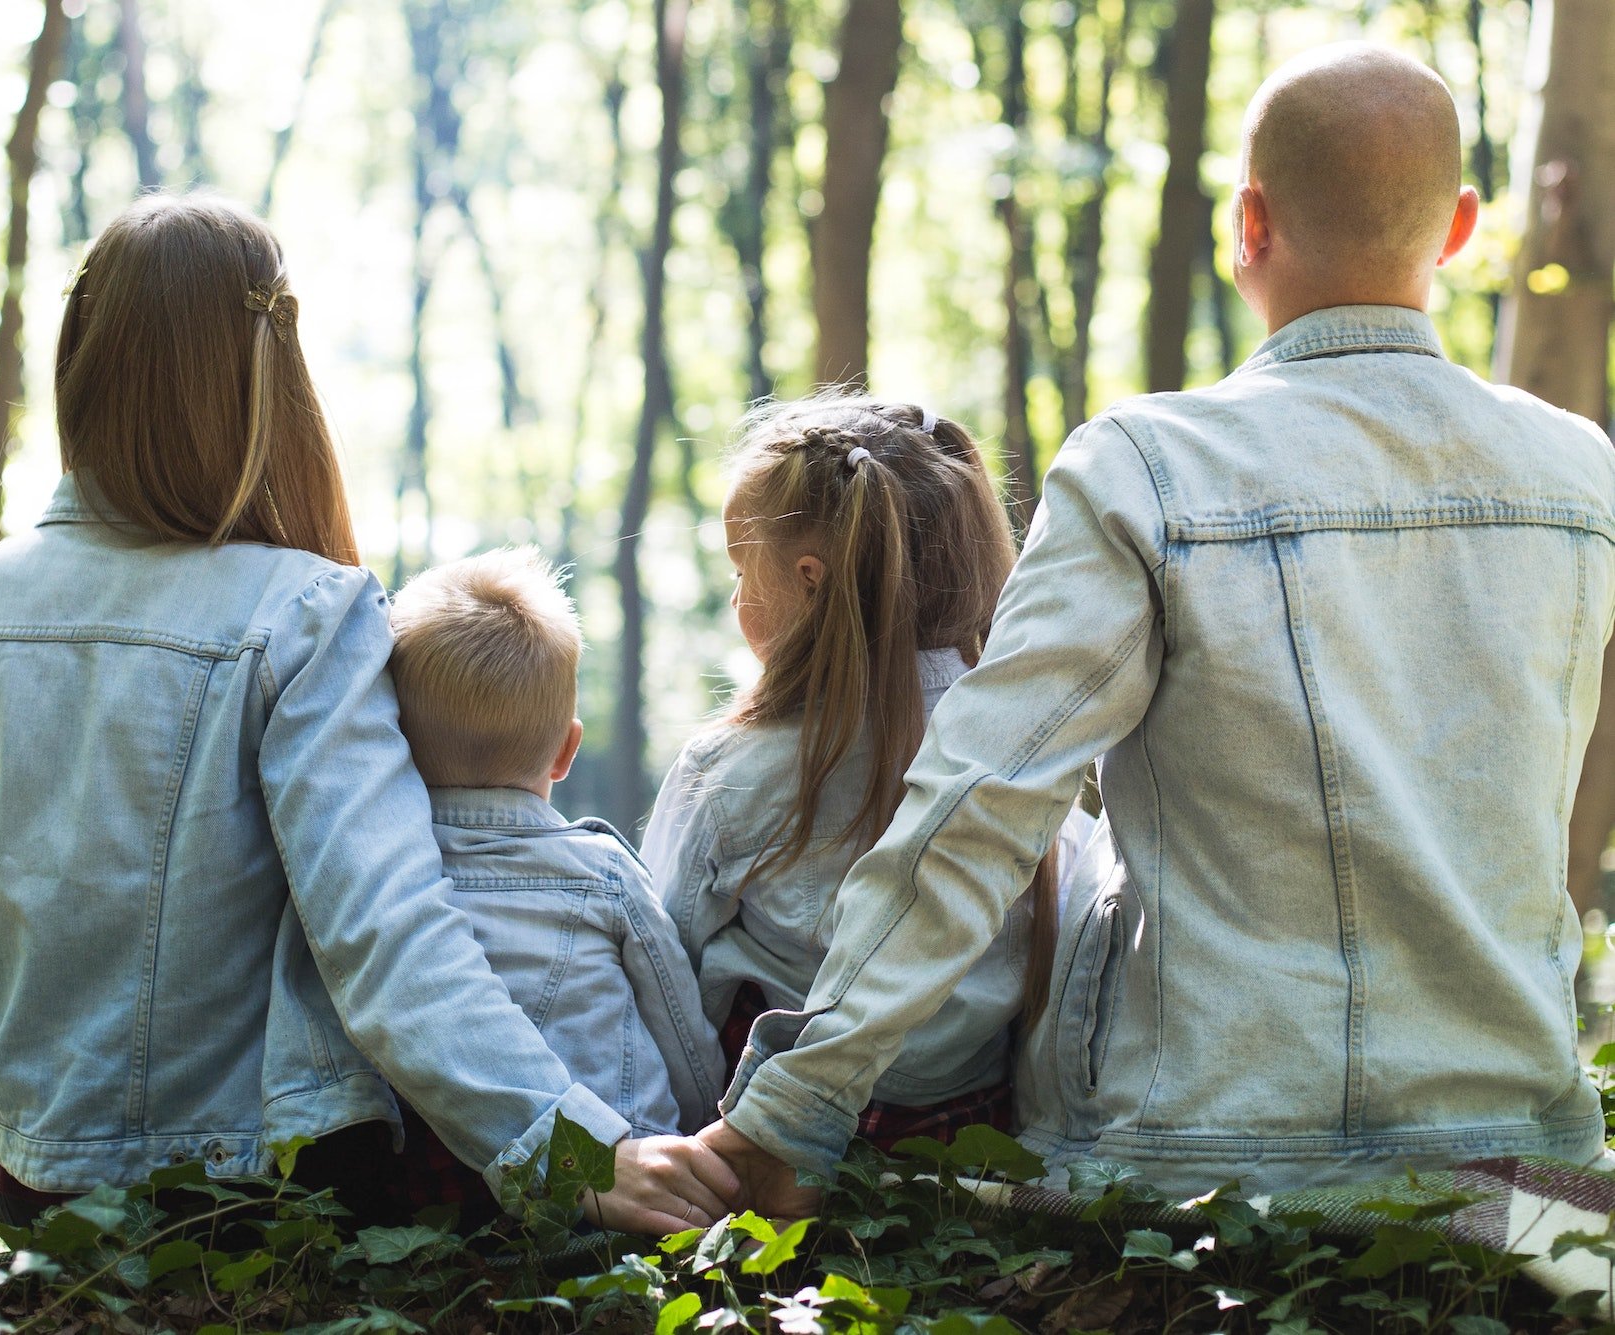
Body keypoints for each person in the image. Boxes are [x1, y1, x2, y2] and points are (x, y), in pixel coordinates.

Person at [700, 43, 1615, 1210]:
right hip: (1525, 1167)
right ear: (1460, 230)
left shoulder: (1149, 468)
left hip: (1200, 1160)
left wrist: (794, 1110)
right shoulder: (1580, 475)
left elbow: (981, 803)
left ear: (1248, 223)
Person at [0, 193, 737, 1234]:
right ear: (269, 376)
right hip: (252, 1199)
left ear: (80, 355)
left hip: (34, 1191)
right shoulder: (303, 613)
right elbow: (386, 934)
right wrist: (573, 1151)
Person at [642, 394, 1095, 1148]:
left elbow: (664, 967)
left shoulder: (727, 771)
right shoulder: (1029, 759)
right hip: (970, 1138)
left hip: (762, 1140)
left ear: (809, 580)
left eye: (741, 570)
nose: (734, 597)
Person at [387, 546, 723, 1138]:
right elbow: (681, 1035)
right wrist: (702, 1125)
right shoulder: (603, 875)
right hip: (622, 1163)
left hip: (442, 1173)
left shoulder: (378, 877)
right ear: (567, 751)